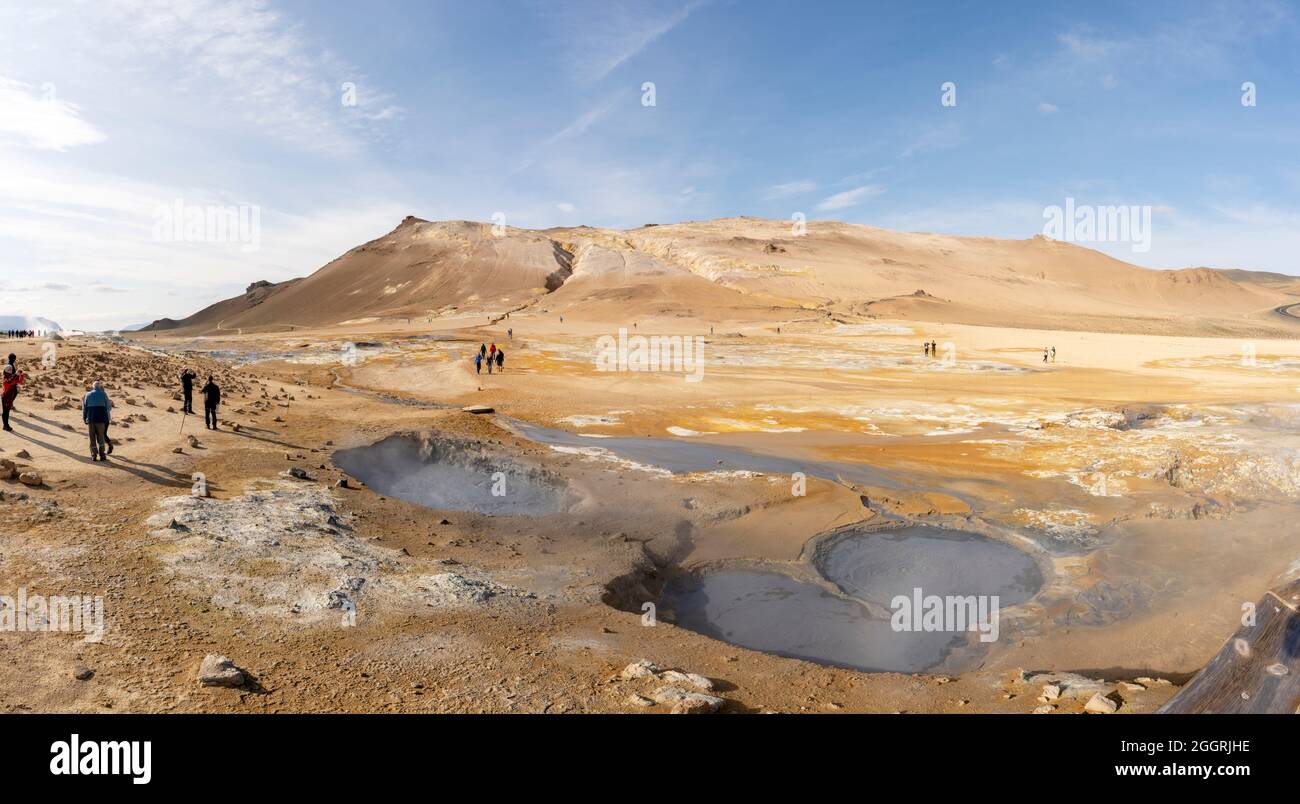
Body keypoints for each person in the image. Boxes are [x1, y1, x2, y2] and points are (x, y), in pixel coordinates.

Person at [83, 381, 112, 461]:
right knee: (101, 437)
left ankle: (94, 455)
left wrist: (84, 417)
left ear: (93, 387)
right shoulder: (103, 394)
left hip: (91, 419)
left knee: (92, 437)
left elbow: (84, 408)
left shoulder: (87, 394)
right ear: (99, 387)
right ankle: (102, 455)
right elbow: (108, 407)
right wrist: (103, 413)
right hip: (101, 419)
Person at [2, 364, 25, 432]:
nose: (10, 371)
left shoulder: (12, 377)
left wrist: (21, 375)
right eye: (9, 370)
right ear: (6, 370)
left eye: (11, 369)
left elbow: (20, 382)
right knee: (5, 412)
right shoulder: (5, 378)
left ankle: (5, 425)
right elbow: (9, 381)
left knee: (7, 411)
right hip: (5, 397)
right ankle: (6, 426)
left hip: (10, 397)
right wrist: (15, 374)